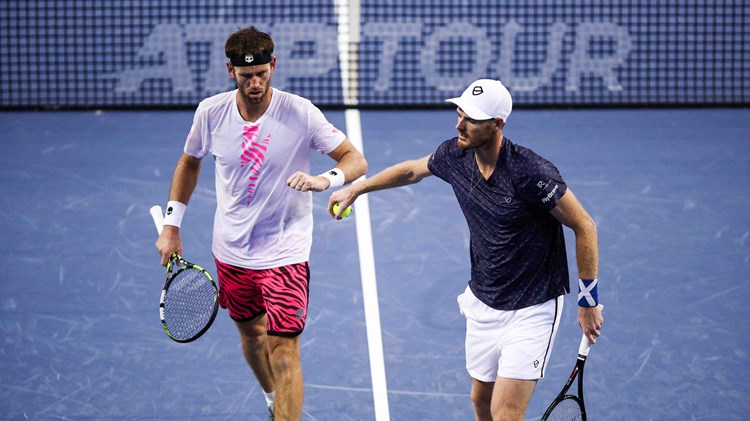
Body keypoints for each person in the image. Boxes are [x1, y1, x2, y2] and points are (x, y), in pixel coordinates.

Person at [328, 79, 603, 421]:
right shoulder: (455, 155)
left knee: (505, 414)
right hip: (484, 298)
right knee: (480, 402)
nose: (460, 124)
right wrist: (358, 188)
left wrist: (588, 301)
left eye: (471, 119)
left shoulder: (531, 173)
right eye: (460, 113)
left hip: (533, 305)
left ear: (497, 124)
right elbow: (413, 170)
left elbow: (584, 226)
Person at [155, 26, 367, 421]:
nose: (254, 84)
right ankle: (272, 399)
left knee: (284, 349)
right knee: (253, 337)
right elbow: (189, 161)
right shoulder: (211, 113)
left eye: (261, 74)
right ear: (229, 70)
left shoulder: (300, 112)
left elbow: (354, 159)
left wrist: (326, 179)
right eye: (245, 75)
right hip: (232, 251)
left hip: (286, 251)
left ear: (273, 65)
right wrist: (172, 225)